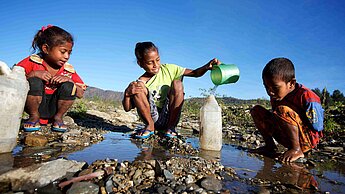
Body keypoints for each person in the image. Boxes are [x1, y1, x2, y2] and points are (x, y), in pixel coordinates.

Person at [122, 41, 220, 139]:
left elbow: (195, 73)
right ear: (140, 64)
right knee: (137, 87)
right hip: (151, 118)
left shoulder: (169, 69)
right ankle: (150, 127)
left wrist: (207, 67)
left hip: (169, 117)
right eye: (150, 62)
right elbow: (127, 108)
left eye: (157, 60)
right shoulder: (141, 82)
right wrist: (127, 94)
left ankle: (171, 128)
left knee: (177, 83)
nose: (155, 65)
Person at [250, 57, 324, 162]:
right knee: (256, 110)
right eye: (267, 87)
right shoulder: (276, 96)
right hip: (287, 136)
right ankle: (270, 146)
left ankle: (296, 150)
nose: (270, 92)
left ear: (291, 84)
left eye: (275, 88)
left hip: (306, 141)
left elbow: (317, 126)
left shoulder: (307, 97)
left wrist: (297, 116)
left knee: (282, 110)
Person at [16, 25, 86, 132]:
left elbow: (80, 93)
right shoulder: (32, 62)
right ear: (46, 49)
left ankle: (58, 118)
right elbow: (14, 80)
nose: (66, 56)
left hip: (55, 107)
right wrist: (33, 74)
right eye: (63, 52)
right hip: (35, 105)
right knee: (33, 81)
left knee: (70, 86)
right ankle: (34, 116)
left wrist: (69, 80)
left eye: (69, 53)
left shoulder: (68, 70)